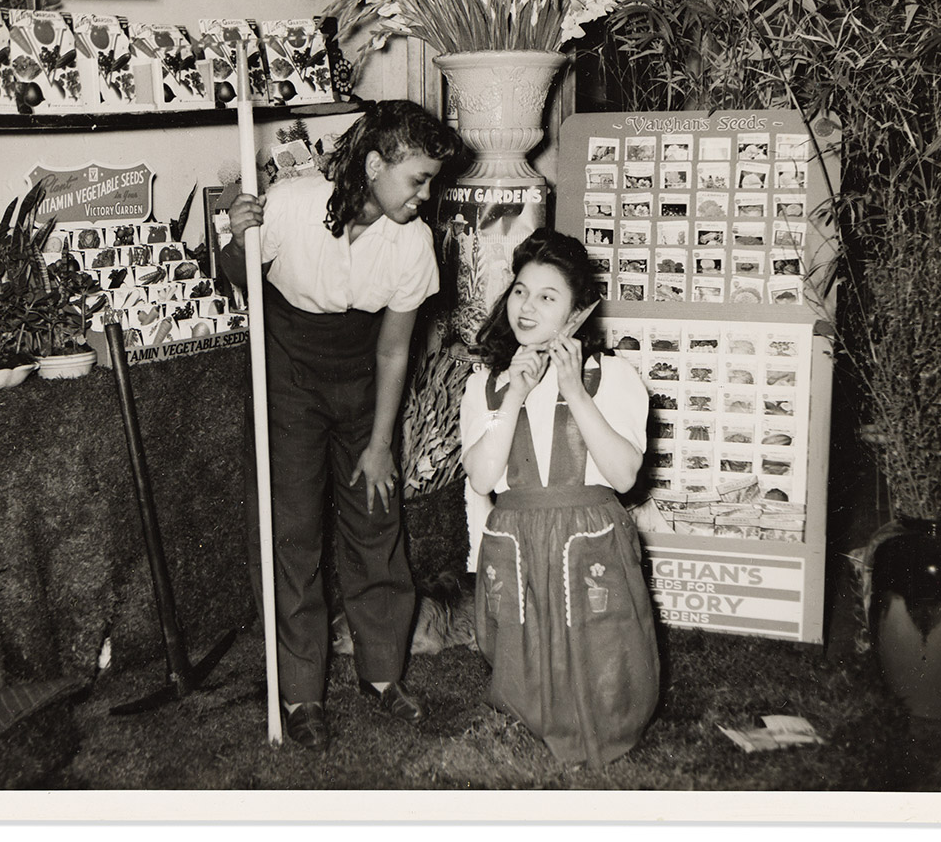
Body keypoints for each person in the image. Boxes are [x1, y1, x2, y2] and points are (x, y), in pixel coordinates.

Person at [219, 99, 464, 750]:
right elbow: (237, 274)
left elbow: (393, 350)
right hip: (289, 373)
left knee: (375, 517)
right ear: (377, 163)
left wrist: (381, 443)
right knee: (291, 528)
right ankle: (301, 692)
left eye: (432, 180)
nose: (426, 194)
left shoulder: (412, 242)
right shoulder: (295, 201)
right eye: (418, 179)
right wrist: (235, 234)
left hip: (361, 381)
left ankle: (381, 676)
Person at [460, 228, 661, 767]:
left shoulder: (612, 376)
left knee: (601, 644)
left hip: (588, 540)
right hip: (519, 539)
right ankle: (526, 720)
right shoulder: (485, 382)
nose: (527, 307)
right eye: (521, 291)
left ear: (577, 312)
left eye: (548, 297)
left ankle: (607, 720)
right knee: (519, 645)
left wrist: (574, 390)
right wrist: (516, 394)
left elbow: (623, 475)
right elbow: (482, 477)